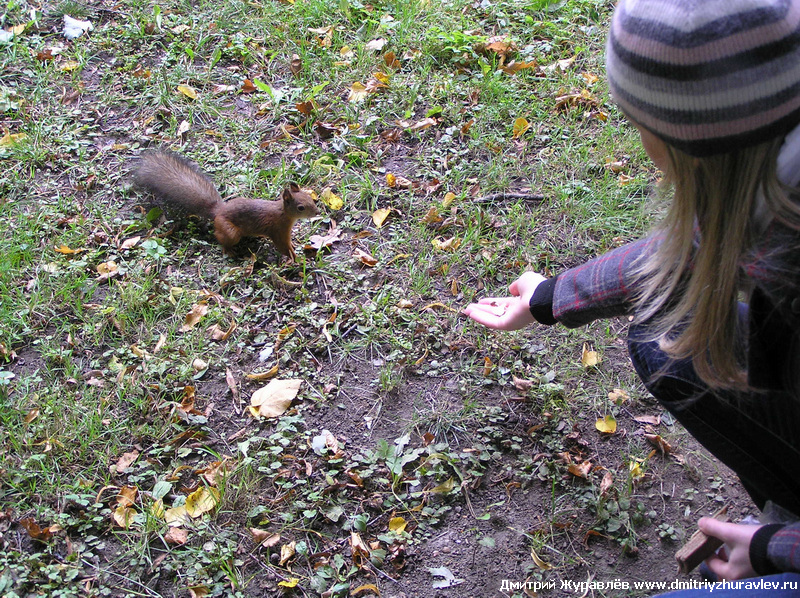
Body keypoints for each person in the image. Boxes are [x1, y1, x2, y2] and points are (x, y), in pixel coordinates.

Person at [463, 0, 800, 592]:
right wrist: (549, 297)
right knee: (663, 336)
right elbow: (694, 249)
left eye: (641, 126)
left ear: (688, 146)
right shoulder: (776, 172)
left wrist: (780, 550)